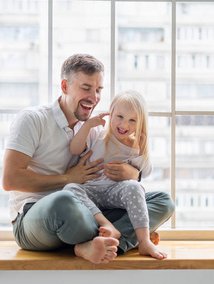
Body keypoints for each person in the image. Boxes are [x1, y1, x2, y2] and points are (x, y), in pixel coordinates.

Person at [2, 54, 174, 264]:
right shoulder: (33, 119)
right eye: (86, 88)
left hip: (89, 209)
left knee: (162, 201)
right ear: (65, 86)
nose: (94, 97)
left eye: (98, 90)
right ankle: (120, 240)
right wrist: (68, 179)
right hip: (39, 214)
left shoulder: (97, 128)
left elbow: (124, 165)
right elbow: (10, 180)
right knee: (64, 199)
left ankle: (99, 243)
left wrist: (134, 174)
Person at [65, 90, 167, 260]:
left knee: (136, 187)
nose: (124, 125)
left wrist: (141, 149)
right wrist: (88, 125)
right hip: (91, 193)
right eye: (119, 117)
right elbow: (74, 149)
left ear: (140, 123)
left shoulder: (134, 146)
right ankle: (107, 226)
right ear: (110, 113)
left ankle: (143, 241)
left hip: (115, 195)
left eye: (132, 120)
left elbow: (146, 172)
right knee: (70, 188)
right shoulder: (97, 134)